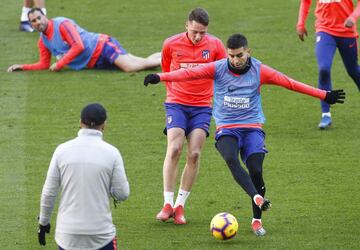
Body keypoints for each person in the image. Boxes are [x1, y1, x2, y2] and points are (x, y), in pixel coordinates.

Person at [144, 33, 345, 235]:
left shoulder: (260, 71)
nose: (234, 60)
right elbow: (188, 74)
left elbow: (290, 83)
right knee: (231, 157)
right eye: (231, 55)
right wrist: (160, 77)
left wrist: (324, 95)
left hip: (252, 129)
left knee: (256, 170)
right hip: (227, 129)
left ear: (248, 52)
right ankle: (257, 197)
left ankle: (256, 220)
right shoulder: (219, 68)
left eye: (239, 55)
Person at [153, 7, 227, 225]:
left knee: (194, 154)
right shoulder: (171, 44)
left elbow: (224, 72)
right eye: (194, 31)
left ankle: (180, 206)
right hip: (176, 103)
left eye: (202, 32)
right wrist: (172, 93)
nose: (198, 36)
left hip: (202, 106)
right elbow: (167, 70)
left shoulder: (215, 45)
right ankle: (167, 204)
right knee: (174, 148)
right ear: (186, 25)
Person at [38, 103, 130, 249]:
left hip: (67, 235)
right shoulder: (112, 153)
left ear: (80, 122)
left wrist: (43, 222)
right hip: (101, 234)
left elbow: (49, 192)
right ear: (104, 124)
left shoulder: (61, 150)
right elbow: (122, 194)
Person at [8, 8, 161, 73]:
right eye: (33, 21)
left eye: (38, 18)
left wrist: (60, 64)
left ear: (45, 16)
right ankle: (164, 56)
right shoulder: (43, 41)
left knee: (130, 67)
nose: (37, 22)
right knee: (140, 62)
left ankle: (165, 62)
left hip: (102, 46)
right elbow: (44, 64)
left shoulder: (62, 24)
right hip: (94, 61)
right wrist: (23, 67)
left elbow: (79, 46)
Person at [296, 0, 360, 129]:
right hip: (324, 31)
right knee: (324, 69)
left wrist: (353, 17)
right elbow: (306, 1)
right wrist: (300, 24)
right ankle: (326, 114)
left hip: (347, 31)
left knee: (353, 70)